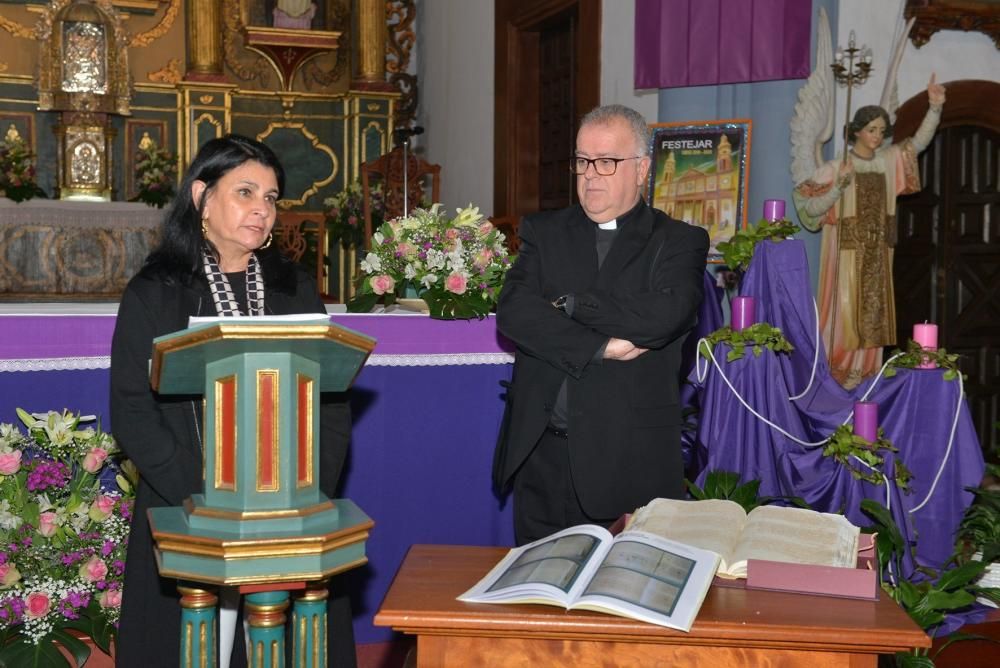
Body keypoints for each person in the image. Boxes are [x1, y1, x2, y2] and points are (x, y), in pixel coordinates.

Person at [110, 135, 356, 667]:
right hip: (187, 507)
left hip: (290, 510)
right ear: (201, 196)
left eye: (270, 198)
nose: (263, 210)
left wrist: (314, 486)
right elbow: (132, 407)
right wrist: (200, 498)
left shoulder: (295, 290)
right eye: (246, 192)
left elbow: (332, 400)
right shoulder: (155, 292)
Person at [494, 104, 709, 546]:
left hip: (627, 463)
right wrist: (601, 347)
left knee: (620, 607)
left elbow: (666, 314)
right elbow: (515, 311)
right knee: (537, 606)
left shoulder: (677, 241)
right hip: (541, 458)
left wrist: (570, 305)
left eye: (607, 161)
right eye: (582, 160)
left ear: (642, 169)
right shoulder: (543, 232)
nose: (591, 174)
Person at [792, 75, 946, 389]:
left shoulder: (888, 161)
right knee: (842, 314)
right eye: (871, 129)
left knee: (873, 317)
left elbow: (917, 144)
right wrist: (839, 186)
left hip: (878, 255)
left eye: (881, 130)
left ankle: (865, 378)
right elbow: (808, 209)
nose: (877, 136)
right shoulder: (837, 167)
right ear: (857, 132)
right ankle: (835, 376)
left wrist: (935, 108)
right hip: (845, 256)